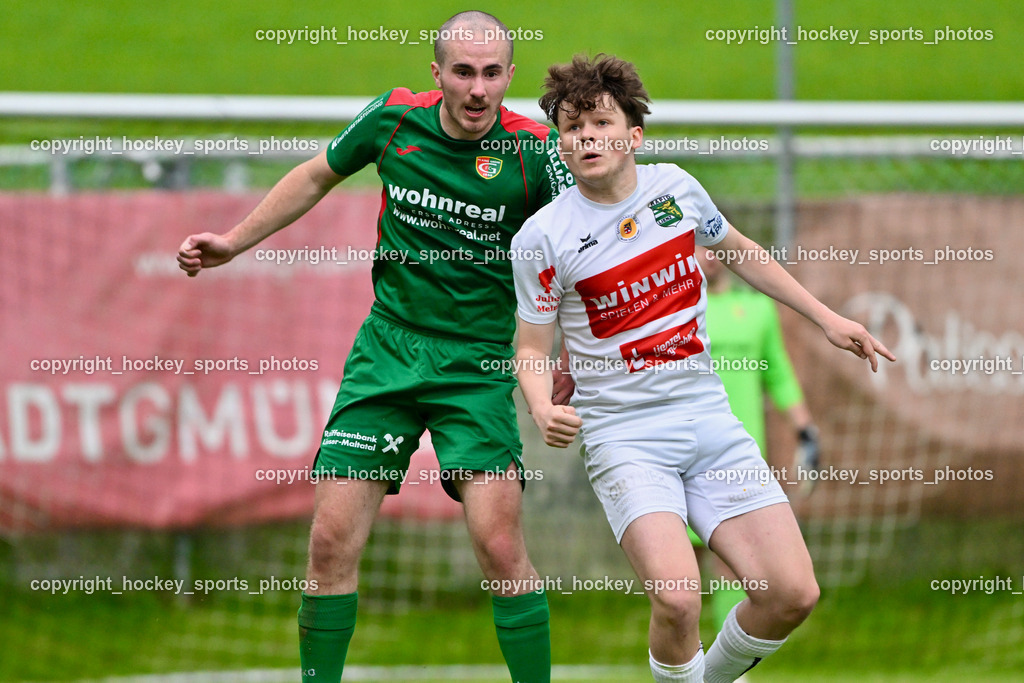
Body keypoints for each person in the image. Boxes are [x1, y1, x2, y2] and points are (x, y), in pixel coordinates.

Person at [177, 11, 572, 683]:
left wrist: (570, 358)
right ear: (437, 73)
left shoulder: (536, 153)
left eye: (492, 74)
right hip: (387, 351)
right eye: (463, 72)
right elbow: (315, 175)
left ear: (510, 75)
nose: (478, 89)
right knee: (330, 543)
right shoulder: (393, 119)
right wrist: (233, 242)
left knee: (500, 545)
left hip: (477, 364)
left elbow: (581, 248)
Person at [511, 54, 894, 683]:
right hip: (626, 436)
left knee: (791, 593)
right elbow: (531, 349)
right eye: (572, 128)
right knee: (678, 598)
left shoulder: (676, 189)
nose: (587, 137)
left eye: (601, 123)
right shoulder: (542, 237)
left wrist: (826, 318)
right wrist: (540, 403)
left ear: (634, 135)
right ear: (560, 144)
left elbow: (740, 252)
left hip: (709, 420)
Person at [694, 245, 821, 635]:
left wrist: (805, 429)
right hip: (681, 452)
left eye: (714, 247)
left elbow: (778, 373)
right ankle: (683, 659)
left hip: (737, 458)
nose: (708, 256)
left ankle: (724, 661)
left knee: (733, 563)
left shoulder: (758, 310)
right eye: (698, 248)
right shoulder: (673, 311)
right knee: (678, 575)